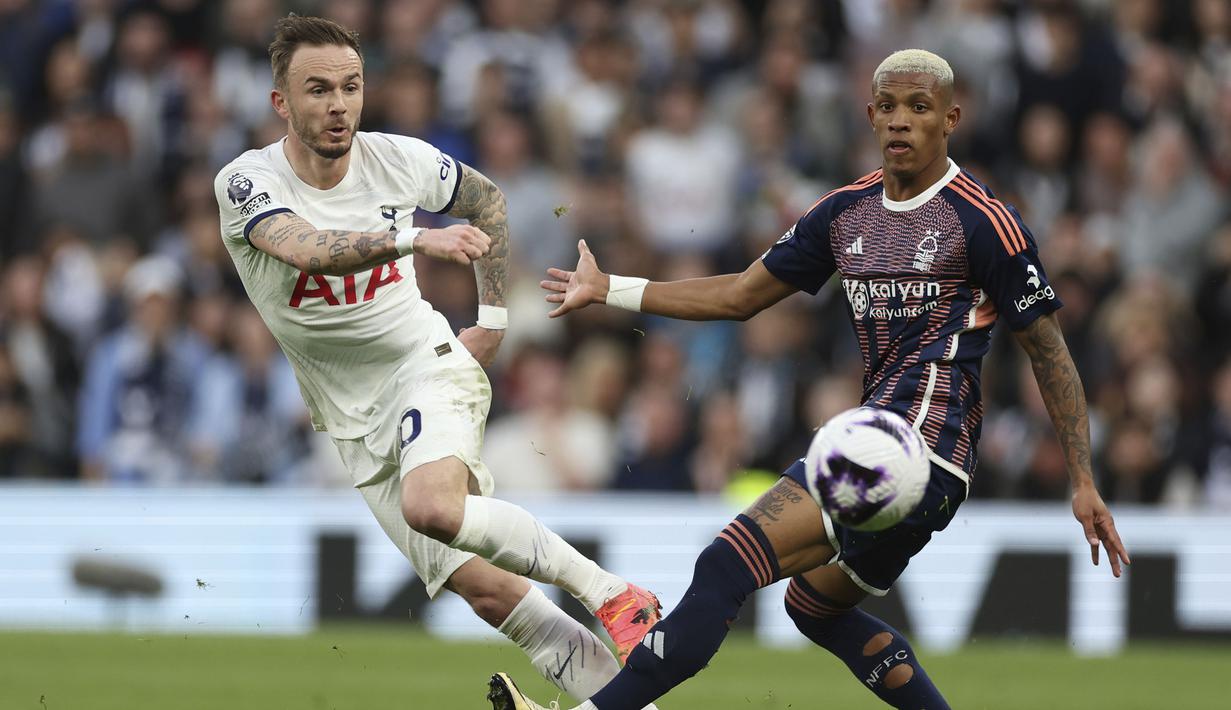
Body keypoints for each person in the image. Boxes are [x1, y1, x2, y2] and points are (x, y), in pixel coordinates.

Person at [488, 49, 1131, 710]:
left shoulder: (983, 221)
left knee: (725, 564)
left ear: (950, 119)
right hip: (913, 459)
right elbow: (740, 294)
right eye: (889, 107)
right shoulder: (845, 212)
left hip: (917, 445)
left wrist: (1082, 479)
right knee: (813, 607)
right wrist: (610, 288)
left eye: (919, 107)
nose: (901, 121)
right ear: (870, 114)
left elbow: (1048, 352)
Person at [211, 15, 660, 705]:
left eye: (351, 87)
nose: (338, 105)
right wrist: (413, 238)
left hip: (424, 364)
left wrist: (494, 321)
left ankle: (612, 593)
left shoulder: (399, 159)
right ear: (281, 102)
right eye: (318, 89)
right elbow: (305, 248)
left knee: (432, 506)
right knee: (488, 591)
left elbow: (487, 201)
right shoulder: (246, 182)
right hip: (349, 417)